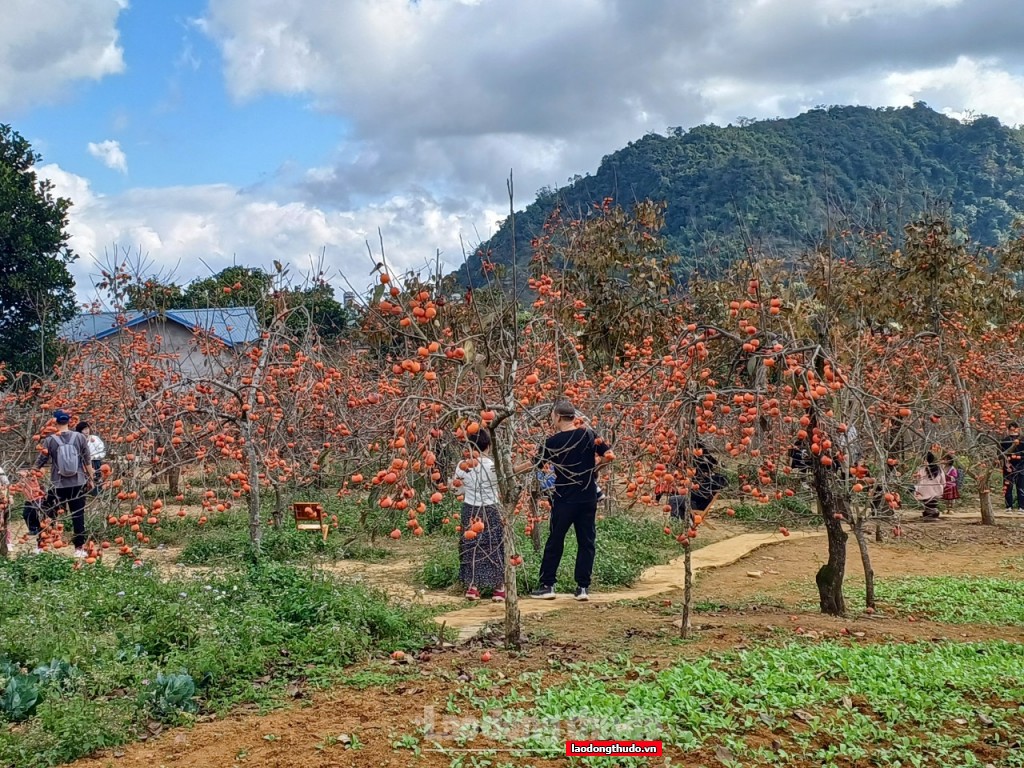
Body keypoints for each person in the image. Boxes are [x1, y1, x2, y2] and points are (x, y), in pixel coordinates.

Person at [520, 399, 611, 602]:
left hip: (563, 499)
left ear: (558, 417)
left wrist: (509, 471)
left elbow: (534, 464)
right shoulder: (588, 435)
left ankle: (548, 585)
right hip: (587, 498)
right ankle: (583, 588)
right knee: (586, 542)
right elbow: (608, 455)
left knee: (555, 541)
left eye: (553, 416)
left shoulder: (552, 442)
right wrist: (593, 471)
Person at [453, 429, 505, 603]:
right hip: (491, 508)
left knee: (471, 547)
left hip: (470, 509)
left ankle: (473, 587)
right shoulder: (493, 466)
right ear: (488, 446)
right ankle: (499, 588)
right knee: (494, 546)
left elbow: (457, 489)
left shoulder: (463, 466)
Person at [35, 410, 92, 557]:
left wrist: (32, 474)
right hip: (78, 483)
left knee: (49, 514)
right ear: (69, 421)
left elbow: (41, 460)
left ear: (55, 422)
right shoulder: (80, 437)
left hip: (57, 483)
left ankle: (41, 545)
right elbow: (87, 460)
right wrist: (91, 479)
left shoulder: (50, 440)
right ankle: (79, 549)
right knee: (78, 515)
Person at [75, 421, 106, 495]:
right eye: (84, 430)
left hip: (95, 461)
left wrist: (94, 456)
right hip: (82, 463)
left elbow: (102, 450)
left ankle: (97, 493)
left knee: (96, 477)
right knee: (84, 477)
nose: (86, 431)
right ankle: (84, 492)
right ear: (80, 431)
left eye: (87, 429)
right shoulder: (77, 440)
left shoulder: (95, 439)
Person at [999, 422, 1024, 511]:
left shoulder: (1022, 440)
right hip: (1008, 466)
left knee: (1020, 486)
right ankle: (1009, 506)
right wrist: (1006, 463)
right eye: (1011, 430)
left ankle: (1021, 506)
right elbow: (1001, 454)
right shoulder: (1005, 440)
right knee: (1008, 486)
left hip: (1021, 465)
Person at [913, 452, 945, 521]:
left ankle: (928, 511)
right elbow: (943, 482)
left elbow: (918, 480)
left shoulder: (922, 469)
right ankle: (932, 511)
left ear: (925, 460)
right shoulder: (939, 469)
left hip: (925, 491)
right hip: (938, 490)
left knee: (917, 487)